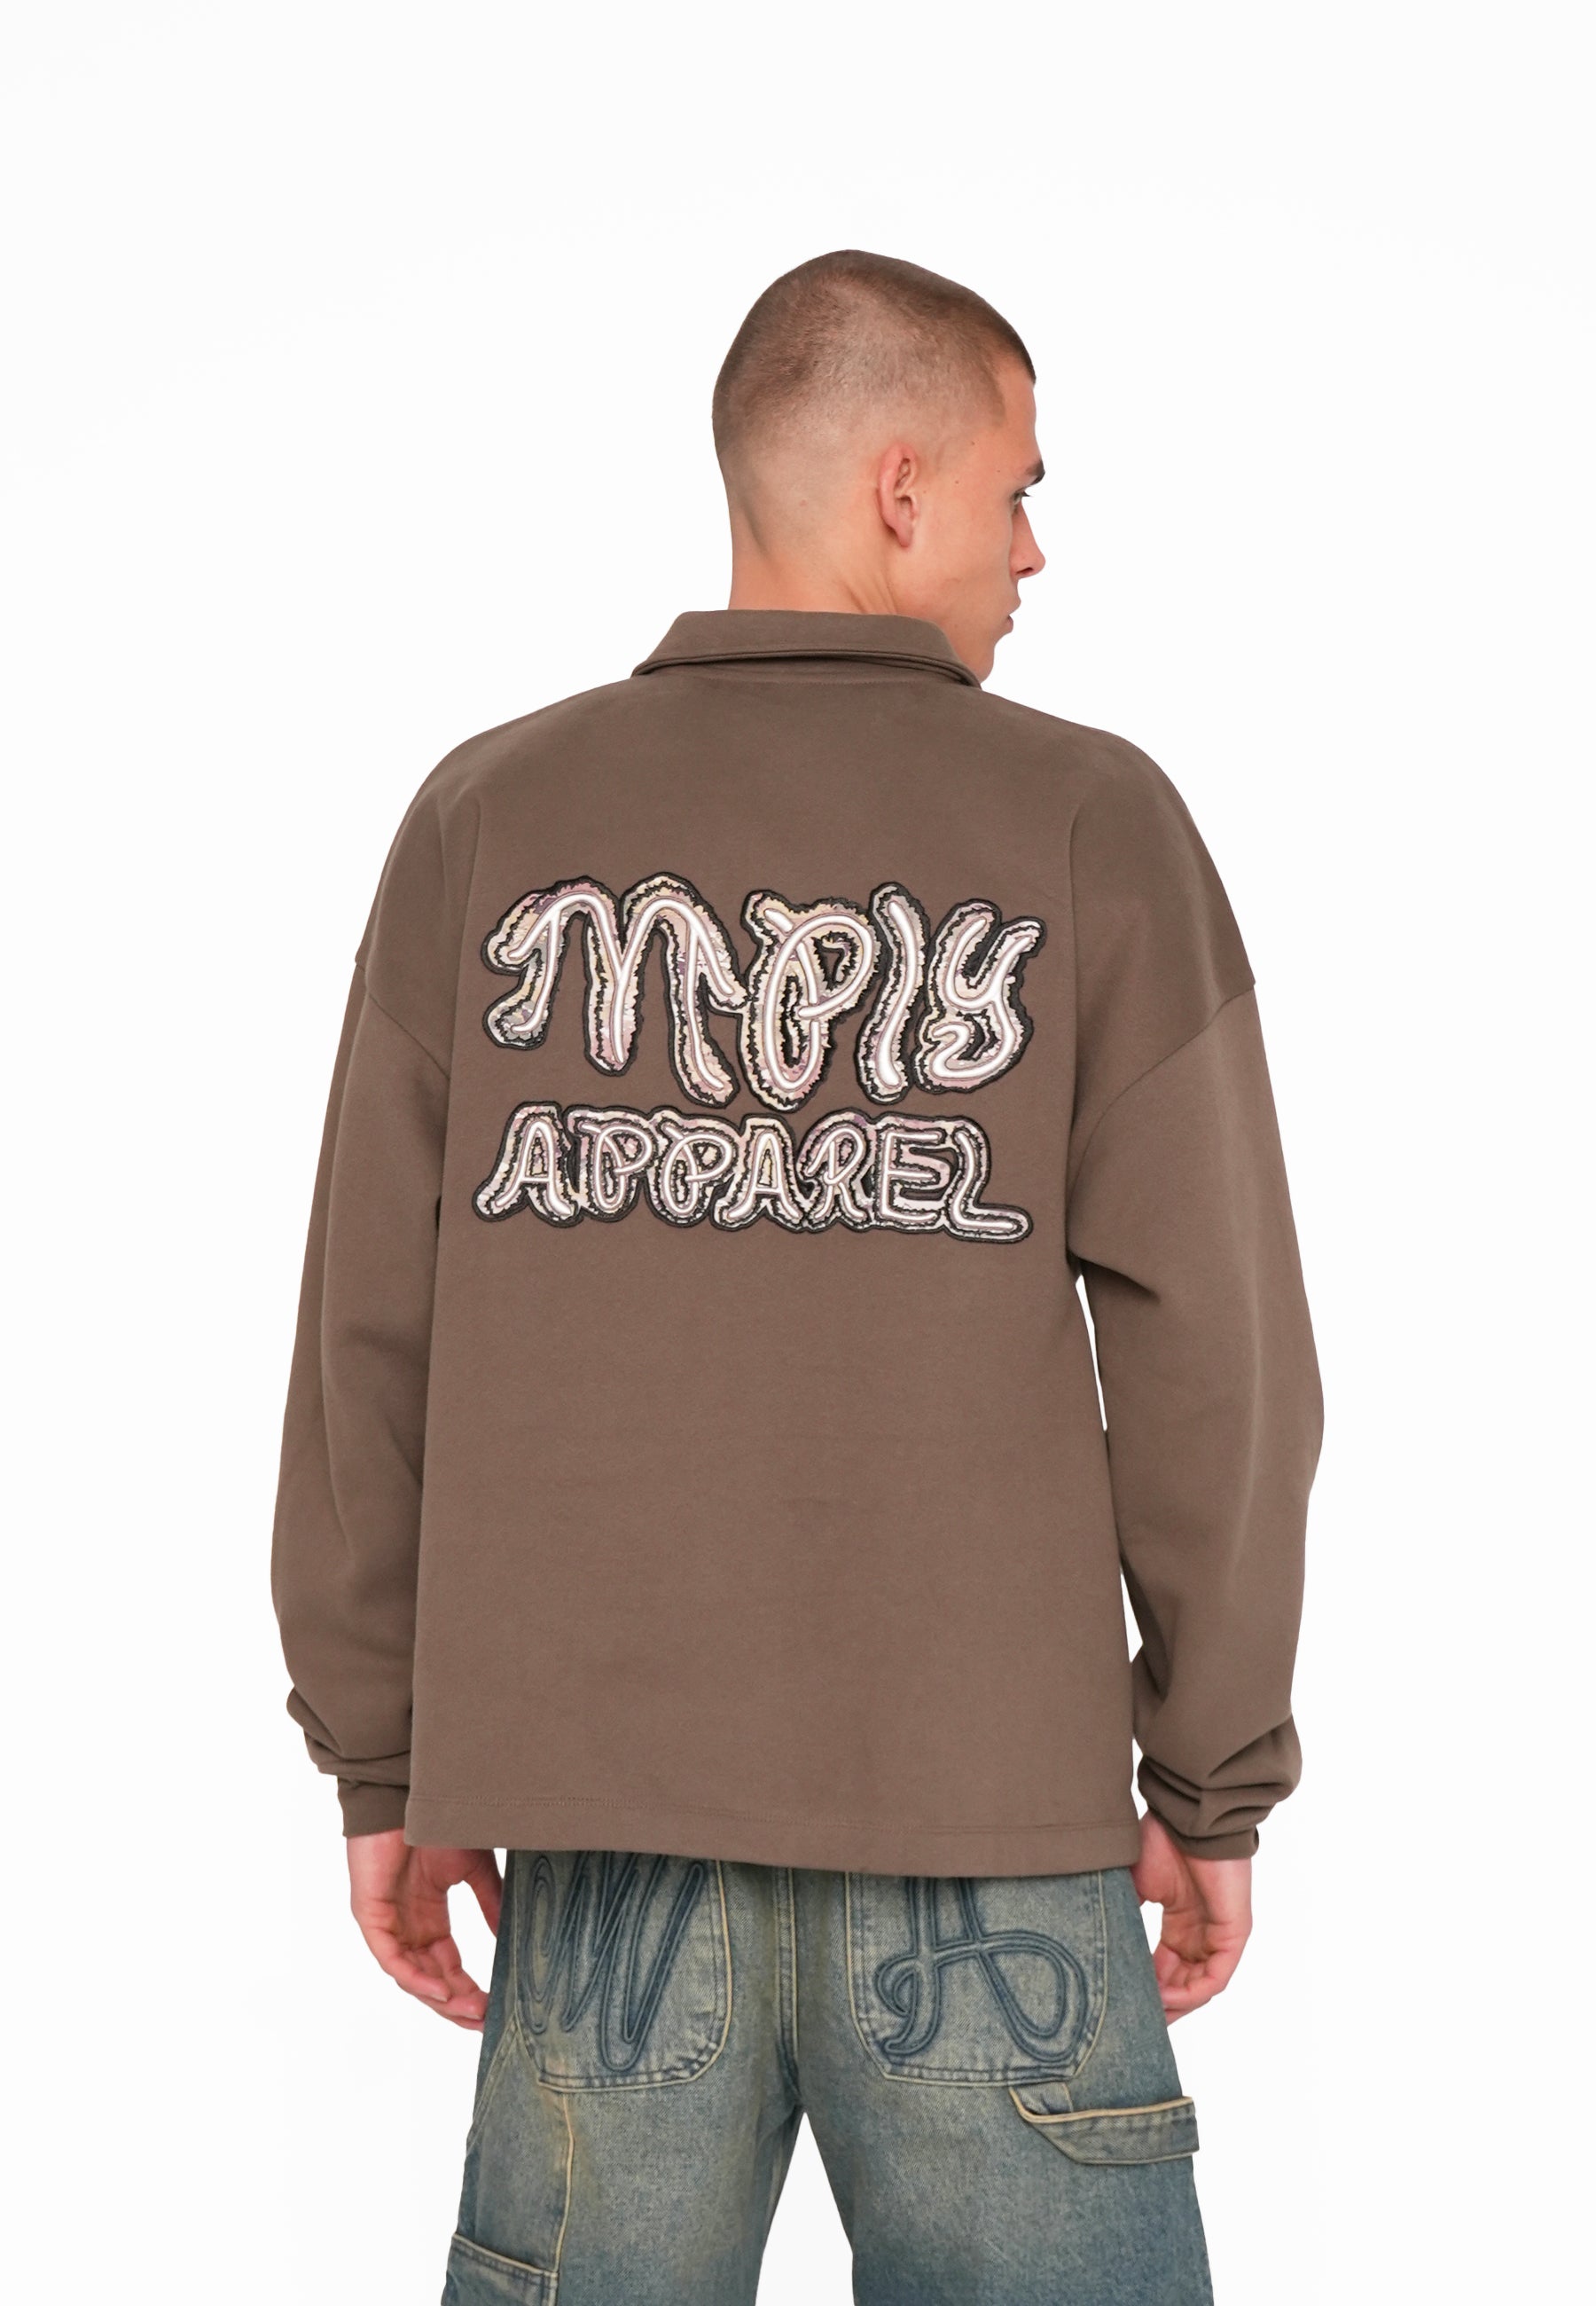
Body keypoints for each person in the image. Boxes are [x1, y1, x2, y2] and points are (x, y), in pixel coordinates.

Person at [271, 248, 1322, 2305]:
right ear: (902, 489)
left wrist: (385, 1755)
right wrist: (1213, 1779)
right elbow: (1222, 1358)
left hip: (604, 1856)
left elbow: (365, 1339)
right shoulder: (1093, 822)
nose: (1037, 548)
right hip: (994, 1849)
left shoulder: (492, 816)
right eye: (1019, 489)